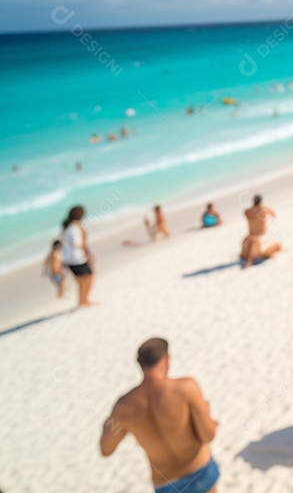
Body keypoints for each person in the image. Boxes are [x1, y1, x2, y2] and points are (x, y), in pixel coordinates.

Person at [100, 338, 220, 493]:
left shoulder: (123, 406)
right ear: (166, 359)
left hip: (167, 483)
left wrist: (107, 425)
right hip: (200, 471)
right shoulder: (186, 388)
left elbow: (106, 450)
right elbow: (208, 435)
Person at [60, 205, 95, 306]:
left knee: (81, 281)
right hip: (77, 258)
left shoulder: (67, 228)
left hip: (68, 258)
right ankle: (84, 300)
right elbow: (79, 243)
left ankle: (82, 301)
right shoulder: (75, 228)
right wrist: (88, 254)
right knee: (89, 277)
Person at [242, 194, 281, 268]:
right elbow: (274, 214)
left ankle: (249, 259)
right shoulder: (264, 209)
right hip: (260, 237)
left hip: (249, 237)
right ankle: (250, 260)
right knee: (278, 245)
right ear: (261, 201)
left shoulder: (247, 211)